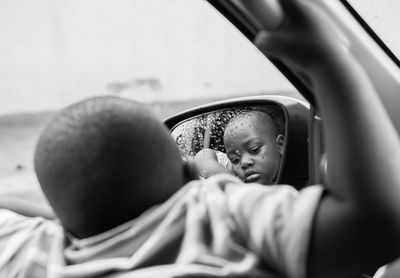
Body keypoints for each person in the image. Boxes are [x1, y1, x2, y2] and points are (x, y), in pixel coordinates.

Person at [0, 1, 399, 278]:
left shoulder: (28, 258)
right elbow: (377, 224)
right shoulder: (218, 216)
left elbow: (36, 221)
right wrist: (329, 61)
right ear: (188, 172)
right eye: (231, 154)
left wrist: (63, 216)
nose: (239, 162)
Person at [195, 110, 284, 185]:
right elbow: (202, 156)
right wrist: (226, 178)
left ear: (280, 145)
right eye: (235, 160)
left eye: (254, 150)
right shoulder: (235, 174)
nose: (244, 163)